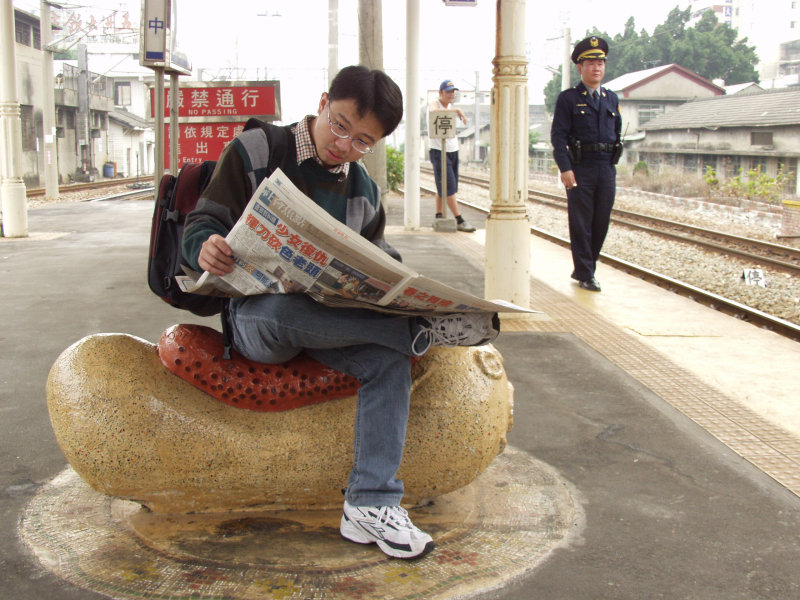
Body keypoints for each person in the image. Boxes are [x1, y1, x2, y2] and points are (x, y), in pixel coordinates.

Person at [182, 66, 500, 560]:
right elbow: (201, 222)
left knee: (388, 360)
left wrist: (393, 287)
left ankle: (369, 505)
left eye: (363, 141)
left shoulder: (365, 193)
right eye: (340, 124)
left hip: (331, 326)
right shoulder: (258, 150)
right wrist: (206, 247)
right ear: (325, 101)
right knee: (280, 309)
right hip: (258, 321)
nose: (345, 144)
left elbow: (375, 267)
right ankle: (416, 333)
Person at [550, 36, 622, 292]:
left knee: (601, 221)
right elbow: (558, 136)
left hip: (606, 167)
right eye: (590, 63)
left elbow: (617, 132)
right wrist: (565, 168)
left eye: (600, 62)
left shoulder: (612, 99)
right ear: (580, 67)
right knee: (581, 222)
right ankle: (585, 272)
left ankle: (587, 267)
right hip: (581, 168)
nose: (597, 68)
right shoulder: (568, 99)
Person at [428, 80, 475, 232]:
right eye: (448, 92)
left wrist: (454, 109)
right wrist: (456, 111)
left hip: (452, 150)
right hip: (438, 151)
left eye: (453, 92)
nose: (451, 95)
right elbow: (433, 112)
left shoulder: (450, 107)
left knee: (443, 185)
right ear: (440, 93)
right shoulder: (435, 105)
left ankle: (438, 214)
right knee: (448, 187)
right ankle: (459, 220)